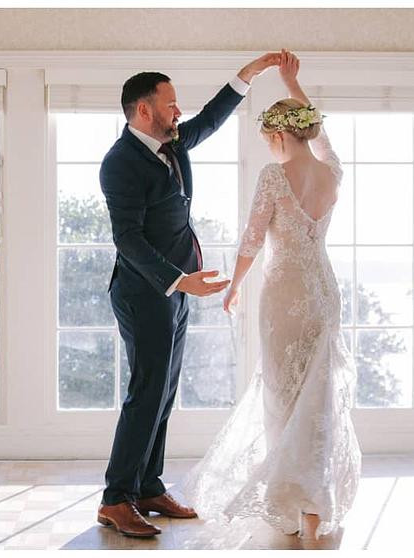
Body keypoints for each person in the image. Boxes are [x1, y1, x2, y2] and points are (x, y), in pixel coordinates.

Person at [95, 52, 283, 538]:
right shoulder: (119, 163)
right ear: (143, 111)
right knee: (146, 393)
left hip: (176, 292)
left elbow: (211, 119)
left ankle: (148, 485)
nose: (179, 111)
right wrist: (179, 281)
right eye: (170, 103)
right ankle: (116, 498)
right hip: (144, 292)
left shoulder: (173, 144)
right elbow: (128, 240)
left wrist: (248, 75)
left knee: (164, 392)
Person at [179, 50, 362, 542]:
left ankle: (291, 499)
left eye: (269, 139)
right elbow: (322, 136)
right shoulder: (332, 173)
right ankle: (313, 509)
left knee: (282, 396)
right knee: (318, 399)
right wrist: (293, 84)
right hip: (323, 291)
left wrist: (235, 286)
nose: (271, 148)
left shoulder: (273, 176)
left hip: (283, 294)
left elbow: (253, 240)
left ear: (279, 135)